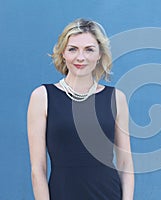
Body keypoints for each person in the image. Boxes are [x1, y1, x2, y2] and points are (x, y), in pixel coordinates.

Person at [27, 18, 134, 200]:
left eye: (89, 49)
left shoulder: (116, 98)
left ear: (99, 54)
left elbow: (125, 164)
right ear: (63, 53)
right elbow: (38, 168)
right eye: (73, 49)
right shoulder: (42, 97)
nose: (80, 57)